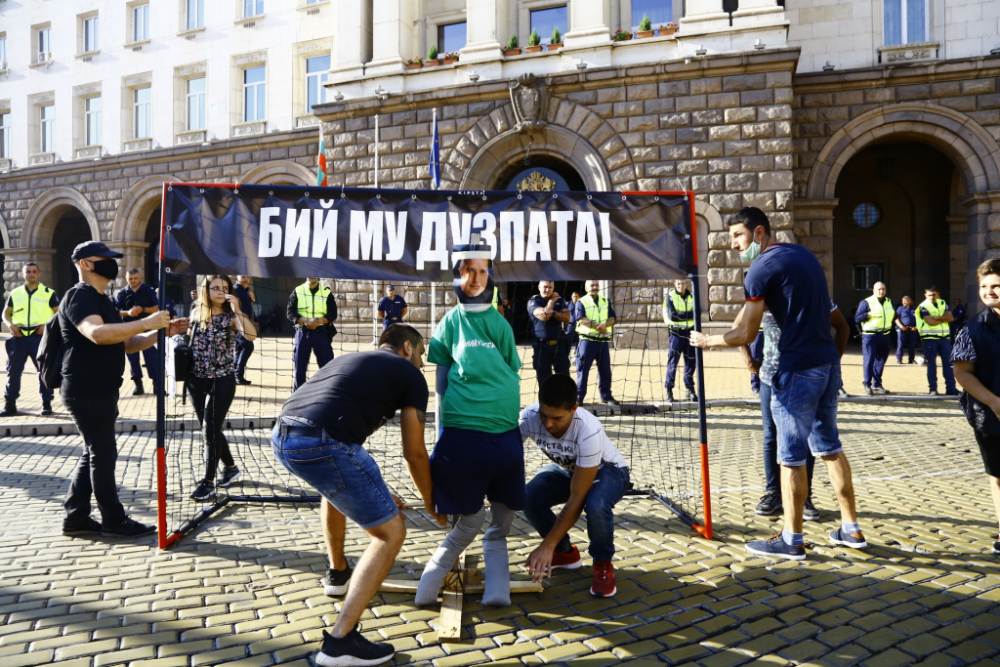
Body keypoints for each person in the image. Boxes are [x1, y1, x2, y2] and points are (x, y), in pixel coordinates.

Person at [691, 207, 866, 560]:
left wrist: (708, 342)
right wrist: (829, 361)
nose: (735, 247)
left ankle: (792, 538)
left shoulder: (761, 268)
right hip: (826, 367)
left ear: (758, 233)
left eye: (738, 237)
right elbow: (834, 322)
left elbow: (745, 331)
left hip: (796, 371)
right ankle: (851, 529)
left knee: (790, 458)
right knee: (830, 447)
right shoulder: (802, 255)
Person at [271, 324, 445, 666]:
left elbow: (344, 460)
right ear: (407, 348)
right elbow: (415, 453)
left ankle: (338, 575)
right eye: (422, 355)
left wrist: (377, 493)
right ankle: (339, 643)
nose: (423, 364)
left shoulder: (353, 360)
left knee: (332, 488)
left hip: (282, 437)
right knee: (390, 533)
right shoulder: (410, 376)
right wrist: (431, 501)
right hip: (323, 442)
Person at [415, 240, 524, 608]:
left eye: (482, 270)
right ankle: (442, 589)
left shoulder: (499, 325)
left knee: (481, 524)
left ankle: (491, 592)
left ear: (489, 274)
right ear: (457, 273)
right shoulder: (449, 323)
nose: (476, 278)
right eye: (468, 270)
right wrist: (443, 434)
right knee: (483, 524)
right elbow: (442, 384)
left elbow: (507, 369)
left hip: (498, 437)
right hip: (474, 439)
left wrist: (441, 438)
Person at [61, 241, 187, 537]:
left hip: (101, 389)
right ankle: (114, 521)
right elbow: (98, 334)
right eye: (103, 258)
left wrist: (159, 332)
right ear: (85, 264)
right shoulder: (79, 297)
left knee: (93, 452)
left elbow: (127, 342)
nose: (111, 263)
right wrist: (147, 320)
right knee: (103, 455)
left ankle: (76, 517)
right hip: (86, 390)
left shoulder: (102, 299)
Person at [739, 296, 851, 520]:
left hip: (804, 378)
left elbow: (843, 327)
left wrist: (832, 362)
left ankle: (805, 497)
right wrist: (749, 360)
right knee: (772, 437)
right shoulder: (765, 296)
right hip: (771, 379)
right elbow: (740, 328)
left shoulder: (815, 295)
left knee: (804, 437)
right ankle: (773, 493)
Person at [520, 374, 631, 597]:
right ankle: (566, 554)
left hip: (608, 470)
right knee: (527, 497)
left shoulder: (588, 430)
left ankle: (603, 565)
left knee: (596, 504)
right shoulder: (529, 416)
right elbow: (508, 455)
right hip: (568, 470)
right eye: (544, 415)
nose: (548, 424)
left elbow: (577, 497)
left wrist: (546, 545)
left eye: (557, 418)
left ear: (574, 409)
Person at [187, 275, 257, 501]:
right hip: (196, 380)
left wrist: (237, 308)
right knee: (210, 428)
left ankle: (208, 482)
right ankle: (231, 467)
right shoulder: (196, 313)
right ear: (205, 290)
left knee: (209, 429)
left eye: (224, 288)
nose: (220, 291)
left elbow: (251, 336)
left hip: (223, 380)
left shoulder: (231, 317)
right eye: (215, 288)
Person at [953, 259, 1000, 554]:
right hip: (990, 417)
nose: (989, 291)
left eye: (996, 285)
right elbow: (962, 372)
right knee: (999, 476)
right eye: (984, 286)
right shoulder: (972, 329)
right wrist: (994, 401)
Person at [1, 263, 58, 417]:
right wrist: (10, 325)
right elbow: (6, 314)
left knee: (43, 372)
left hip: (39, 338)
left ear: (39, 274)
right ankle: (10, 405)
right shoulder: (15, 293)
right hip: (18, 337)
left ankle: (46, 404)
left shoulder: (48, 293)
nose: (31, 274)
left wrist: (46, 326)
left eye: (34, 272)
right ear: (23, 274)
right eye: (28, 272)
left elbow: (58, 314)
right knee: (13, 371)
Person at [114, 269, 160, 396]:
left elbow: (157, 308)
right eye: (130, 278)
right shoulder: (121, 293)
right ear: (126, 278)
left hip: (148, 327)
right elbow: (116, 311)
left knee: (152, 357)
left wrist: (143, 309)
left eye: (135, 278)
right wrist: (128, 313)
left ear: (140, 277)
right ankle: (138, 385)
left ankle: (157, 384)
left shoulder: (148, 290)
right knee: (132, 358)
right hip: (129, 328)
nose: (133, 281)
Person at [287, 277, 337, 391]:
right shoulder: (298, 290)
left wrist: (318, 321)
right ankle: (298, 396)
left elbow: (333, 314)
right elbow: (290, 313)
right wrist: (306, 321)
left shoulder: (326, 292)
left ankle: (327, 393)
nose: (312, 275)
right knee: (300, 368)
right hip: (302, 333)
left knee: (327, 367)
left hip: (321, 334)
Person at [574, 280, 620, 406]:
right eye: (592, 285)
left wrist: (605, 325)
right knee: (583, 370)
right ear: (586, 287)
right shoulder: (581, 301)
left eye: (596, 285)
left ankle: (606, 396)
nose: (595, 287)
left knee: (605, 371)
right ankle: (579, 397)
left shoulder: (605, 300)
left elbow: (613, 317)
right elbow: (581, 319)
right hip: (587, 342)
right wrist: (598, 326)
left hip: (602, 343)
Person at [527, 280, 571, 386]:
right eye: (545, 287)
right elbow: (544, 316)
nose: (547, 290)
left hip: (559, 346)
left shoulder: (560, 300)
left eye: (550, 287)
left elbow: (567, 317)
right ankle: (546, 403)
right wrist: (552, 302)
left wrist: (553, 312)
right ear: (539, 287)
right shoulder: (534, 300)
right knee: (544, 382)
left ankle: (564, 402)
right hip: (541, 347)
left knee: (564, 380)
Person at [916, 286, 958, 396]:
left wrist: (936, 318)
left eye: (933, 294)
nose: (932, 297)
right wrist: (942, 318)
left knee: (948, 364)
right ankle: (933, 389)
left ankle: (951, 388)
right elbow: (929, 322)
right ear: (925, 295)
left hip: (944, 339)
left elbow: (951, 318)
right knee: (931, 365)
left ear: (937, 294)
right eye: (929, 295)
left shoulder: (943, 303)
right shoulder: (923, 306)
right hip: (929, 339)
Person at [855, 281, 894, 395]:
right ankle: (867, 384)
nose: (881, 291)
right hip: (870, 336)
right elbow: (857, 318)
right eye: (879, 289)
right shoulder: (866, 302)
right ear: (874, 290)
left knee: (881, 361)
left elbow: (892, 315)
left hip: (885, 335)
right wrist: (868, 314)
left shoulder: (889, 302)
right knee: (869, 360)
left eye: (883, 289)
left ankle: (877, 384)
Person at [662, 279, 697, 403]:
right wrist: (687, 314)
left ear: (686, 284)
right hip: (676, 334)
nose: (681, 286)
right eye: (678, 283)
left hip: (690, 334)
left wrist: (682, 314)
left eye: (683, 283)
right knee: (673, 363)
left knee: (691, 363)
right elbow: (672, 315)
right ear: (674, 284)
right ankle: (669, 390)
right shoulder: (669, 297)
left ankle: (690, 390)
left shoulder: (693, 296)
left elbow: (696, 313)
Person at [232, 275, 256, 385]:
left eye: (247, 277)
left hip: (245, 323)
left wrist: (253, 299)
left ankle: (234, 375)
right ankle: (238, 375)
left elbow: (248, 305)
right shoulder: (235, 290)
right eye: (243, 277)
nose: (246, 279)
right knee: (248, 346)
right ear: (237, 277)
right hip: (239, 324)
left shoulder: (246, 290)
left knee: (239, 348)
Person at [895, 295, 918, 364]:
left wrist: (916, 327)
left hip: (912, 329)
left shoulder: (915, 309)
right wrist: (901, 326)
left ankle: (911, 359)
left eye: (906, 300)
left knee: (912, 345)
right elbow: (896, 319)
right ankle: (899, 359)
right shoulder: (900, 309)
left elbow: (919, 319)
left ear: (910, 301)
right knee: (900, 345)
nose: (904, 302)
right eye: (903, 301)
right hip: (903, 329)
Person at [566, 292, 581, 357]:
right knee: (567, 342)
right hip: (570, 326)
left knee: (579, 342)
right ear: (571, 297)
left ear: (579, 297)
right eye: (574, 296)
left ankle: (576, 357)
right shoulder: (568, 304)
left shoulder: (582, 305)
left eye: (576, 296)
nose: (575, 298)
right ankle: (566, 355)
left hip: (580, 326)